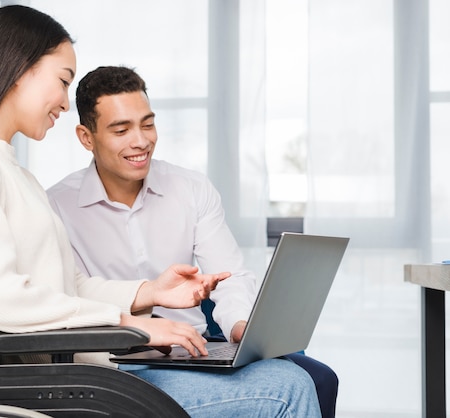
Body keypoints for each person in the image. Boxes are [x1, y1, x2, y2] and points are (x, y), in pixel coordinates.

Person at [0, 6, 321, 417]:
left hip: (82, 368)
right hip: (64, 380)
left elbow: (66, 285)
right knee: (288, 388)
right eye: (61, 80)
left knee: (289, 375)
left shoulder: (7, 168)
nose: (62, 99)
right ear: (18, 72)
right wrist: (134, 325)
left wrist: (149, 294)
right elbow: (4, 298)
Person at [47, 65, 337, 417]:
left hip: (196, 354)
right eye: (121, 129)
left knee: (316, 376)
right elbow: (69, 296)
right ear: (86, 137)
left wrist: (240, 326)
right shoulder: (57, 206)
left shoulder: (190, 189)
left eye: (148, 124)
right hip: (115, 365)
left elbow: (231, 276)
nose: (140, 141)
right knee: (290, 385)